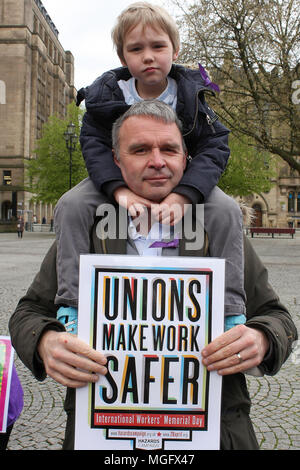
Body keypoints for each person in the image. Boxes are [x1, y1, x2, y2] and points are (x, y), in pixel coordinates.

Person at [9, 102, 297, 450]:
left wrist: (262, 339)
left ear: (186, 157)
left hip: (215, 432)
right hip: (105, 435)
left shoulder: (215, 230)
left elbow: (278, 318)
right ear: (116, 160)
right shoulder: (88, 231)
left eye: (169, 149)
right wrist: (45, 342)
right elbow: (27, 314)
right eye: (140, 149)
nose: (157, 161)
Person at [54, 2, 246, 335]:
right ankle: (71, 304)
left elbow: (216, 145)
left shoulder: (192, 94)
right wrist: (118, 190)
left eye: (158, 46)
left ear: (175, 50)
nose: (148, 56)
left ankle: (230, 311)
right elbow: (95, 147)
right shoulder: (105, 97)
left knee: (227, 210)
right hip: (115, 178)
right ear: (122, 57)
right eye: (136, 48)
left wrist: (186, 194)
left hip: (184, 181)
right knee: (70, 206)